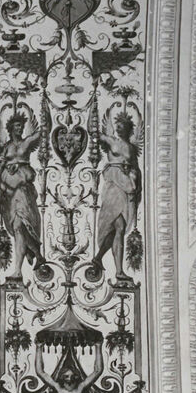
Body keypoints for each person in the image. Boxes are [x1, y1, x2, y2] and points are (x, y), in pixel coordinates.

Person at [88, 112, 141, 281]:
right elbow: (93, 132)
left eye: (122, 125)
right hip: (113, 185)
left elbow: (136, 168)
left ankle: (100, 259)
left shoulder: (131, 148)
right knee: (119, 226)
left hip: (127, 186)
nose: (118, 127)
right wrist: (92, 114)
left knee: (118, 228)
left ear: (128, 128)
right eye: (117, 125)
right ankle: (117, 270)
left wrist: (137, 184)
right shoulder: (111, 141)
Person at [0, 113, 47, 278]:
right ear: (11, 128)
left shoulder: (27, 143)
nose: (20, 129)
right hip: (8, 192)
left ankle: (18, 270)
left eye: (22, 126)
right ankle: (37, 256)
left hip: (23, 190)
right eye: (17, 126)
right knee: (18, 228)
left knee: (20, 225)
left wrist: (45, 112)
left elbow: (43, 131)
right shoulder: (6, 147)